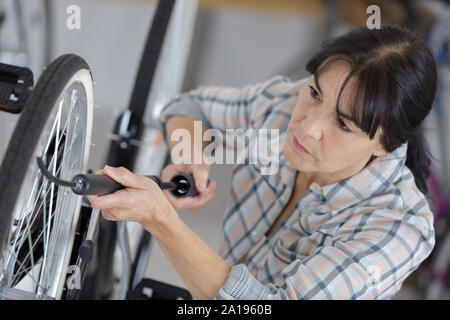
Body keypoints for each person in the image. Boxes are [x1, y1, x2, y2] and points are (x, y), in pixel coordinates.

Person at [87, 25, 437, 299]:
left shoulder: (397, 228)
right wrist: (190, 154)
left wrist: (160, 220)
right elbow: (189, 107)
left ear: (387, 144)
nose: (307, 126)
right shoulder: (283, 104)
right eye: (314, 92)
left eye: (343, 124)